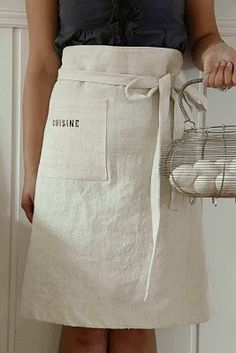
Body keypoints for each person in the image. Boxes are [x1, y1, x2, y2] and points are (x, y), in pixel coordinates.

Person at [20, 1, 236, 353]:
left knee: (138, 322)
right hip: (76, 133)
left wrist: (216, 52)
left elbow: (204, 36)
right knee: (81, 323)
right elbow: (42, 65)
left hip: (155, 137)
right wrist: (32, 169)